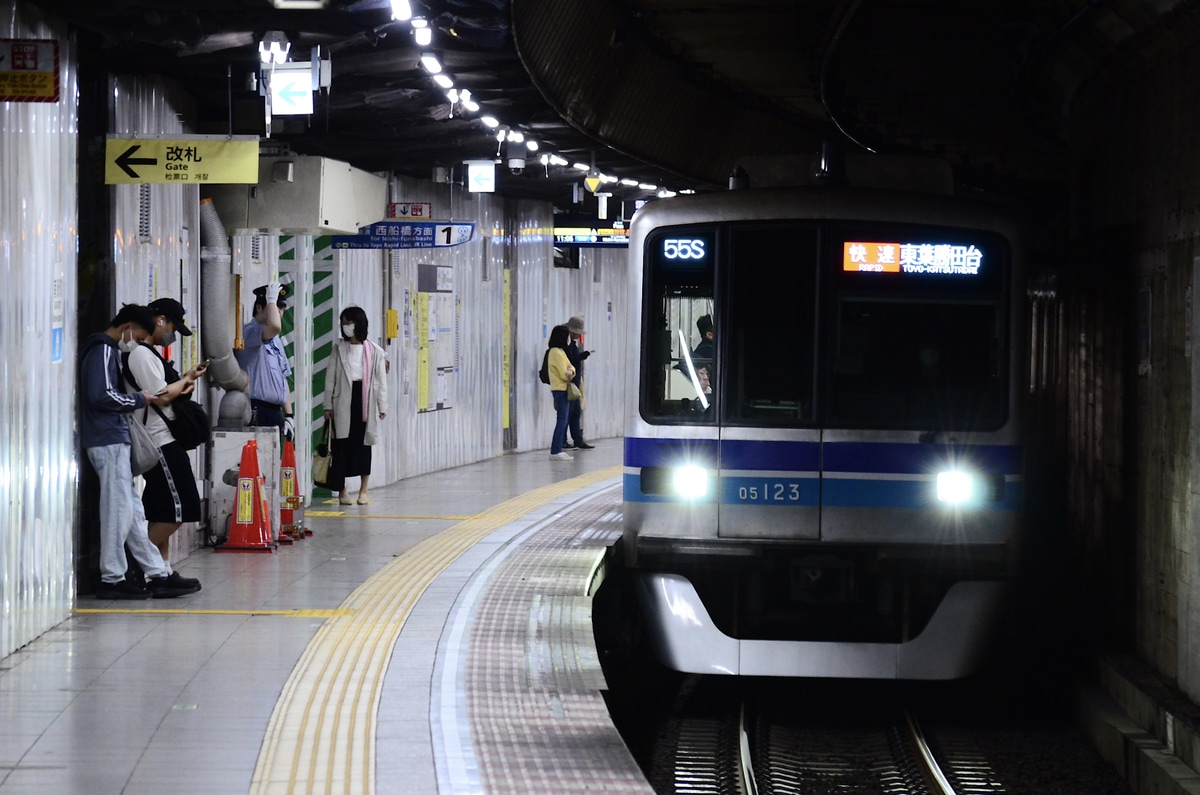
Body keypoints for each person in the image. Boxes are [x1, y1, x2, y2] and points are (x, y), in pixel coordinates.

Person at [81, 304, 195, 599]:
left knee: (132, 511)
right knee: (117, 511)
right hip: (106, 439)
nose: (133, 342)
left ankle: (157, 572)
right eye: (137, 335)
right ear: (127, 328)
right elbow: (100, 395)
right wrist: (138, 399)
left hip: (114, 439)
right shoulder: (103, 350)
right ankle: (112, 577)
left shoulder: (107, 351)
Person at [124, 297, 206, 595]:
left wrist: (186, 380)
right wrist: (184, 380)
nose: (171, 333)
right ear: (159, 320)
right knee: (180, 508)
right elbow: (159, 396)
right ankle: (136, 565)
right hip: (158, 440)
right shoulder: (140, 355)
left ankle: (162, 570)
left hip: (164, 438)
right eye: (171, 326)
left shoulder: (148, 354)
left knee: (164, 510)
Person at [323, 306, 388, 505]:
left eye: (349, 323)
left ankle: (364, 490)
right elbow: (330, 379)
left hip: (364, 402)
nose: (346, 327)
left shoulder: (374, 351)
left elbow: (380, 381)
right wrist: (327, 405)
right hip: (342, 401)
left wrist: (382, 407)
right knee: (341, 446)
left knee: (363, 445)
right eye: (343, 323)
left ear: (359, 324)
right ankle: (342, 492)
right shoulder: (338, 349)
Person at [236, 281, 294, 441]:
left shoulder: (276, 340)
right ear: (260, 308)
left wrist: (289, 414)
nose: (279, 313)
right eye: (275, 308)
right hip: (256, 409)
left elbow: (282, 378)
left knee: (274, 463)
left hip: (274, 411)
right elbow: (275, 326)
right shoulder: (250, 332)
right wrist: (270, 300)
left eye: (281, 309)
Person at [563, 315, 594, 450]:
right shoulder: (566, 345)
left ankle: (578, 440)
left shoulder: (572, 344)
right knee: (567, 414)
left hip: (575, 383)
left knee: (575, 413)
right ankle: (564, 440)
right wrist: (582, 356)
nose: (577, 335)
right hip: (569, 384)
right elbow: (570, 360)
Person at [546, 324, 576, 461]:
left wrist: (571, 371)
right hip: (560, 389)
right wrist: (570, 371)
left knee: (563, 420)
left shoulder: (560, 352)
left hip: (563, 389)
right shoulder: (556, 353)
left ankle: (557, 449)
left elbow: (572, 368)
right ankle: (555, 450)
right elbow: (565, 374)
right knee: (562, 420)